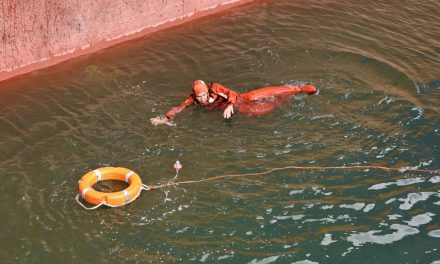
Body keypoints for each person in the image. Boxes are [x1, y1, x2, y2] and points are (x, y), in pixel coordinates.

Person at [150, 80, 317, 126]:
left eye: (203, 96)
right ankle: (285, 100)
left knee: (255, 97)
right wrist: (165, 119)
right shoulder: (192, 100)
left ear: (207, 91)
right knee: (258, 111)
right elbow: (179, 108)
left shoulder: (215, 88)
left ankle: (298, 89)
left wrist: (230, 104)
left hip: (239, 99)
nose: (201, 99)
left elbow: (230, 94)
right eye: (198, 97)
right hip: (236, 109)